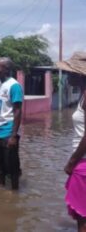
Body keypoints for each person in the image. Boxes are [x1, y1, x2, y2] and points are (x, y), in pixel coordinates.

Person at [57, 52, 86, 232]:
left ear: (80, 74)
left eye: (69, 72)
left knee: (83, 217)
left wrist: (72, 162)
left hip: (83, 164)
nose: (66, 76)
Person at [0, 57, 23, 190]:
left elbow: (17, 111)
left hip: (8, 133)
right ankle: (0, 193)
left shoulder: (14, 86)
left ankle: (14, 194)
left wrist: (13, 136)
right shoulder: (0, 86)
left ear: (7, 70)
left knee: (12, 168)